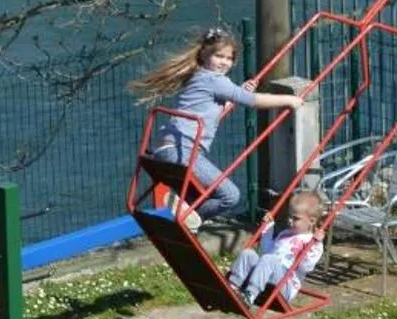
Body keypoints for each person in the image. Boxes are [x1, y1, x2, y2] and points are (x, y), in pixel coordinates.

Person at [129, 27, 305, 222]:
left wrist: (238, 91)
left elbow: (214, 107)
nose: (224, 62)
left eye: (229, 59)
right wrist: (288, 100)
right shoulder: (215, 80)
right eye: (219, 56)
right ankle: (185, 215)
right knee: (230, 196)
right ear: (204, 53)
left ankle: (186, 212)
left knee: (200, 196)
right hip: (184, 151)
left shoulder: (197, 75)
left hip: (165, 149)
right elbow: (251, 101)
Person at [226, 190, 327, 308]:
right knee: (248, 253)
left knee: (270, 259)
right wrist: (268, 227)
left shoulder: (311, 242)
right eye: (289, 216)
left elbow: (306, 267)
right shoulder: (284, 234)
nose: (290, 221)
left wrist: (315, 244)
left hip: (286, 285)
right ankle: (233, 285)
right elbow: (266, 250)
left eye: (296, 218)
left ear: (312, 221)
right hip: (269, 277)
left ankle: (250, 295)